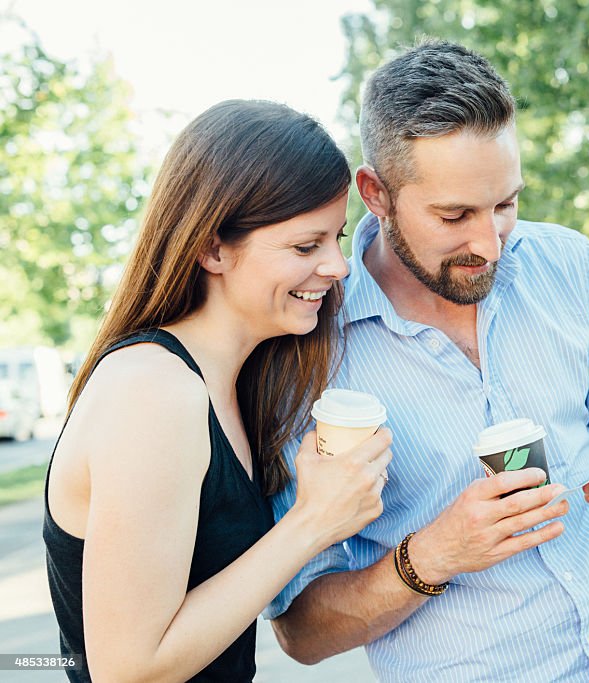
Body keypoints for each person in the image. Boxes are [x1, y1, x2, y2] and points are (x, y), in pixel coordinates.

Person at [267, 41, 589, 681]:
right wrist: (432, 555)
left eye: (506, 204)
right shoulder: (305, 350)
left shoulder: (572, 269)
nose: (489, 244)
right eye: (453, 214)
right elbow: (302, 631)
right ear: (376, 193)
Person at [43, 100, 392, 682]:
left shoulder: (233, 382)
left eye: (336, 237)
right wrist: (312, 522)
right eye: (307, 246)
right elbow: (127, 670)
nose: (339, 266)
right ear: (212, 249)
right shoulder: (155, 392)